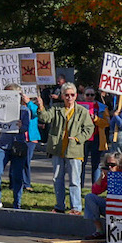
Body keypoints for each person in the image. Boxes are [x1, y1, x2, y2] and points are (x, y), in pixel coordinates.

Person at [41, 82, 96, 214]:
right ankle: (59, 206)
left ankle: (76, 207)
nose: (69, 97)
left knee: (74, 180)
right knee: (57, 178)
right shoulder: (56, 108)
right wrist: (41, 106)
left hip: (74, 150)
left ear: (76, 95)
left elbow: (89, 128)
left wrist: (78, 138)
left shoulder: (82, 111)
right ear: (62, 96)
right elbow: (45, 118)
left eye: (72, 95)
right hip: (57, 149)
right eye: (66, 95)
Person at [0, 83, 41, 209]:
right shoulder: (1, 108)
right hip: (4, 145)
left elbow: (26, 127)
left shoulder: (24, 111)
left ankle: (17, 203)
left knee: (17, 176)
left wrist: (20, 126)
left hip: (18, 146)